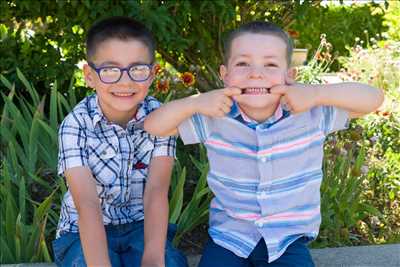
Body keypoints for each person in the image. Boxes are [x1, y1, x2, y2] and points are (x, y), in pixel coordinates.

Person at [144, 21, 384, 267]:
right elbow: (153, 126)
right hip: (229, 239)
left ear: (289, 76)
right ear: (225, 75)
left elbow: (373, 99)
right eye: (242, 63)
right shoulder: (214, 116)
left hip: (286, 242)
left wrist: (315, 94)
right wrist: (194, 103)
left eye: (270, 64)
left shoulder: (310, 113)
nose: (255, 73)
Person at [53, 16, 188, 267]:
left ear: (152, 74)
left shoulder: (161, 118)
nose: (125, 81)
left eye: (137, 69)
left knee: (170, 261)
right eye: (110, 70)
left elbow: (157, 191)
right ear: (90, 75)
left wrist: (153, 258)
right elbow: (87, 204)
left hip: (141, 226)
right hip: (81, 232)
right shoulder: (75, 126)